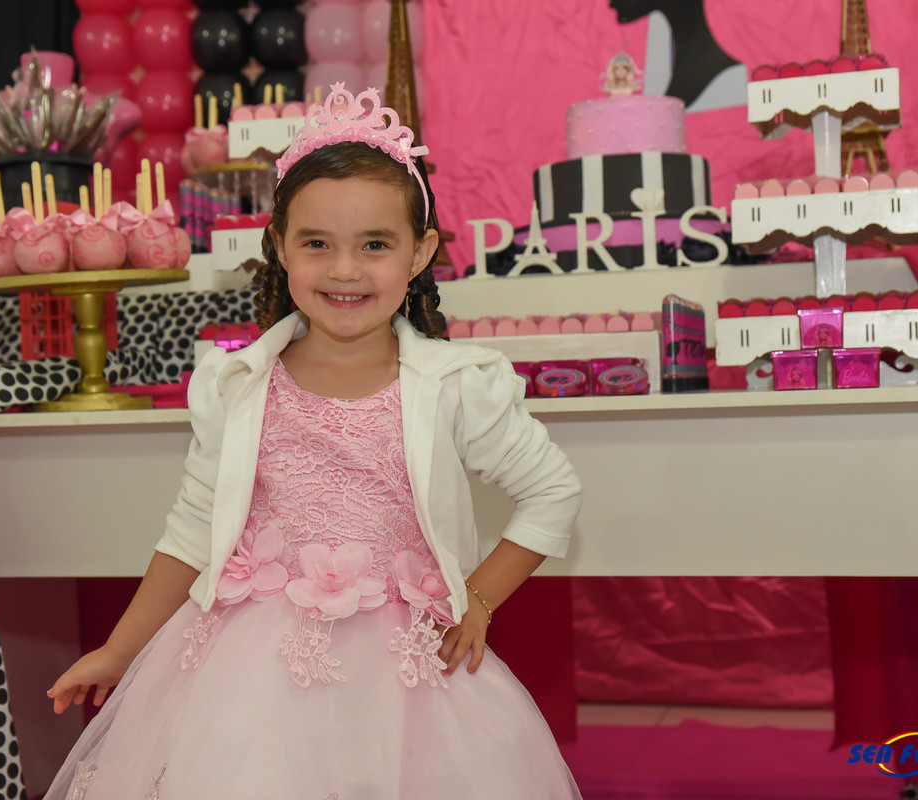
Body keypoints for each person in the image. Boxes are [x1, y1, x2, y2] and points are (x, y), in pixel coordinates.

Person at [43, 83, 584, 799]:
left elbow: (552, 492)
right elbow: (192, 532)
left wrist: (479, 599)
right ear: (279, 246)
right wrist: (119, 651)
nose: (345, 270)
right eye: (316, 244)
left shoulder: (457, 386)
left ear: (420, 252)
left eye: (375, 245)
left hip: (407, 680)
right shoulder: (238, 385)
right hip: (248, 681)